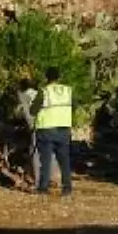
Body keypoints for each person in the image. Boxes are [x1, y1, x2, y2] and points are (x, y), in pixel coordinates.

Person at [30, 67, 74, 196]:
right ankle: (67, 188)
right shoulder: (67, 90)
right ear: (59, 77)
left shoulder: (44, 91)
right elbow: (72, 106)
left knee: (46, 160)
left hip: (46, 130)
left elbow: (33, 110)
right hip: (64, 129)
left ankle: (43, 188)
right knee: (64, 160)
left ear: (46, 78)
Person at [16, 78, 41, 188]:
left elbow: (26, 113)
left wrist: (31, 127)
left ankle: (37, 181)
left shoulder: (23, 95)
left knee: (33, 152)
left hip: (36, 125)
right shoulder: (38, 93)